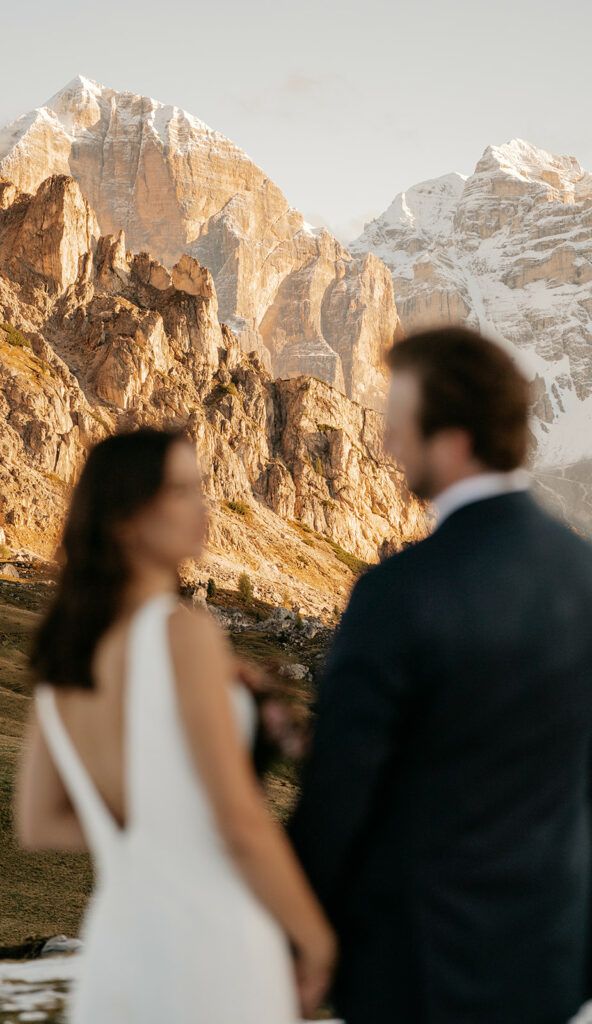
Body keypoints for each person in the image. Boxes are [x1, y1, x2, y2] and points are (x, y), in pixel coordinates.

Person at [287, 325, 592, 1024]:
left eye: (401, 425)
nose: (388, 443)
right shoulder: (585, 576)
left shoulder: (401, 591)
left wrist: (299, 938)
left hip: (418, 966)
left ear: (453, 441)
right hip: (555, 963)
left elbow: (342, 788)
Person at [14, 425, 337, 1024]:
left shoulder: (65, 655)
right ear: (125, 519)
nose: (202, 506)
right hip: (210, 944)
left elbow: (39, 822)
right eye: (179, 491)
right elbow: (239, 821)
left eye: (200, 487)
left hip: (118, 947)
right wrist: (317, 939)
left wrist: (156, 825)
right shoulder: (181, 633)